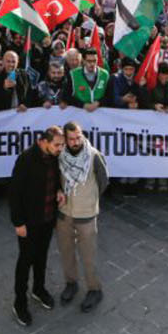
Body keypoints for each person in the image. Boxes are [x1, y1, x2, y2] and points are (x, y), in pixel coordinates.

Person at [8, 126, 63, 326]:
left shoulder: (55, 157)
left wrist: (59, 191)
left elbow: (56, 180)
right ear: (43, 142)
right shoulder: (26, 159)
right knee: (25, 261)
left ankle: (39, 290)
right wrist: (18, 222)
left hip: (47, 219)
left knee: (42, 256)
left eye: (62, 145)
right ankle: (19, 302)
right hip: (29, 223)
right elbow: (14, 193)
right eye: (57, 145)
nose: (60, 149)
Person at [56, 121, 108, 312]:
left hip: (86, 214)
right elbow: (56, 179)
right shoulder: (60, 156)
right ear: (66, 140)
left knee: (88, 256)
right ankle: (71, 283)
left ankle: (94, 289)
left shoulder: (94, 156)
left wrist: (90, 200)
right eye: (71, 139)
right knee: (66, 251)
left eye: (78, 136)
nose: (76, 141)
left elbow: (103, 181)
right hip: (65, 213)